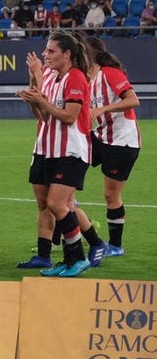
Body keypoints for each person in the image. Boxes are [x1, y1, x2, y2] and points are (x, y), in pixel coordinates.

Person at [15, 32, 96, 277]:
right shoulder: (53, 77)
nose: (45, 55)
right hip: (48, 149)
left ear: (67, 54)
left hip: (71, 150)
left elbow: (70, 116)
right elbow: (42, 116)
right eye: (46, 50)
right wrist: (33, 95)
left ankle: (79, 258)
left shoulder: (76, 78)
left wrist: (42, 100)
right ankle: (68, 259)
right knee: (49, 204)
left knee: (56, 203)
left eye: (51, 51)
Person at [84, 35, 141, 258]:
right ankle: (75, 223)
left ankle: (115, 246)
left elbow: (133, 100)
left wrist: (102, 110)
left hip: (121, 140)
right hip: (99, 136)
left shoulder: (110, 73)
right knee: (68, 171)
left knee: (111, 194)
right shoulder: (87, 77)